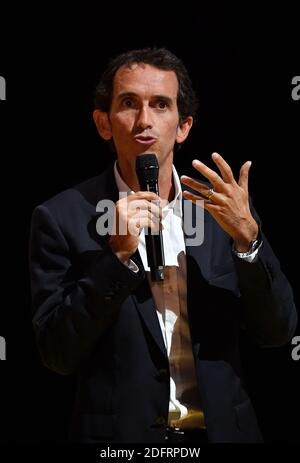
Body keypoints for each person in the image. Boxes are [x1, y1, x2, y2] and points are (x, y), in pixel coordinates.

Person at [29, 47, 297, 443]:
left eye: (160, 105)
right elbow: (57, 354)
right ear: (104, 123)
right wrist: (116, 259)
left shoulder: (222, 211)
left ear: (183, 125)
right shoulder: (61, 218)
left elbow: (277, 332)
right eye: (128, 103)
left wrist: (248, 241)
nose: (144, 121)